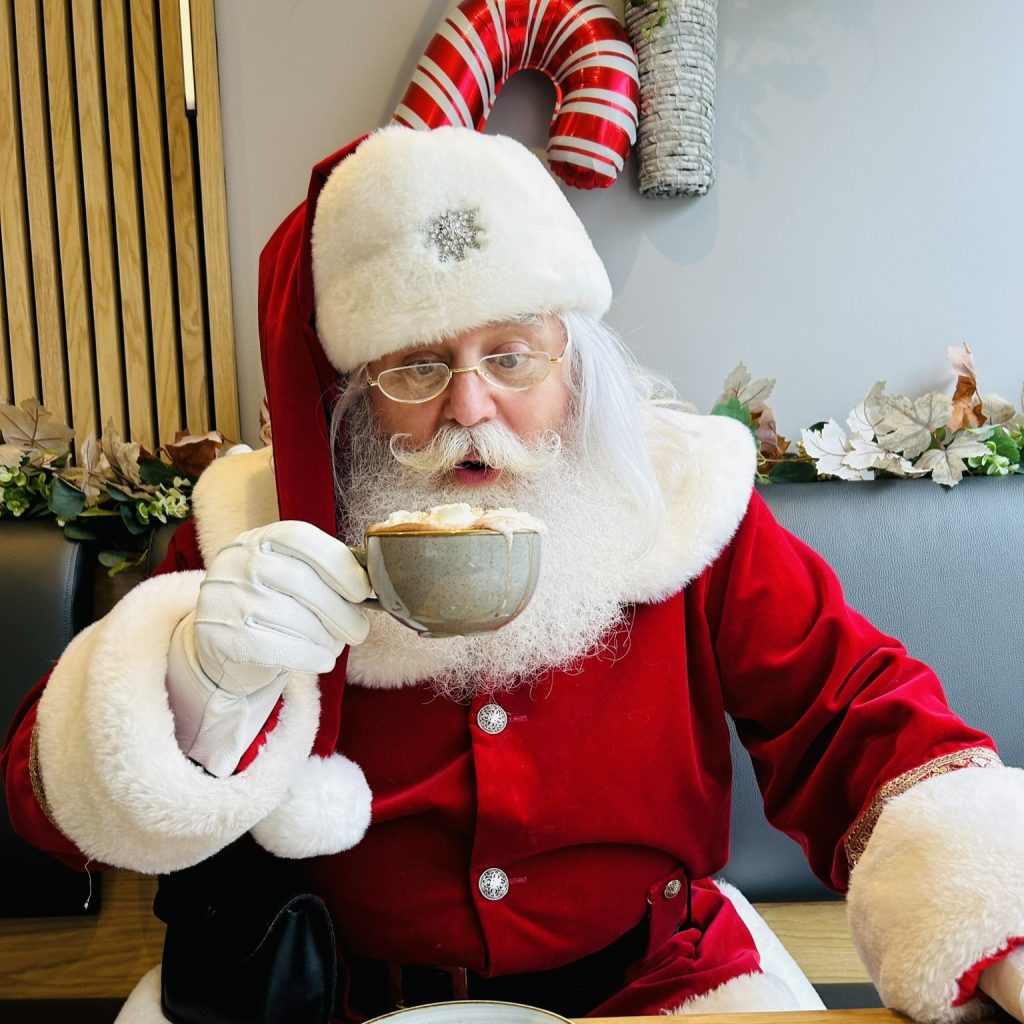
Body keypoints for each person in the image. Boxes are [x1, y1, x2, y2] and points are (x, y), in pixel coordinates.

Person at [4, 125, 1024, 1024]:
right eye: (415, 365)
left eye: (512, 355)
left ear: (571, 359)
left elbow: (857, 714)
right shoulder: (253, 528)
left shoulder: (683, 504)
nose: (471, 408)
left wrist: (995, 918)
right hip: (342, 1003)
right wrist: (194, 679)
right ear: (351, 391)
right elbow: (40, 808)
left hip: (660, 992)